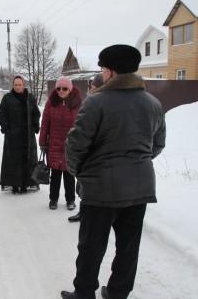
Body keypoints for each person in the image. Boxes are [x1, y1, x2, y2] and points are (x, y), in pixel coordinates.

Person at [61, 44, 166, 299]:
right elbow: (158, 144)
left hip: (100, 190)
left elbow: (75, 145)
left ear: (109, 71)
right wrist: (136, 164)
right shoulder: (153, 103)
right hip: (139, 187)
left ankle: (84, 293)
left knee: (91, 246)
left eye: (102, 68)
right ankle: (118, 293)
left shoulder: (95, 102)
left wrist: (80, 173)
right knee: (129, 247)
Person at [40, 76, 82, 210]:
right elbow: (45, 123)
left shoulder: (77, 104)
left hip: (71, 145)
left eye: (65, 88)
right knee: (55, 175)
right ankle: (53, 199)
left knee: (69, 175)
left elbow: (82, 124)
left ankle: (70, 200)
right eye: (59, 88)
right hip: (54, 144)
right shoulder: (51, 102)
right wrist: (42, 141)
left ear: (70, 89)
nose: (61, 91)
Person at [68, 74, 104, 222]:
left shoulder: (98, 104)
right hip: (87, 153)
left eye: (93, 87)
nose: (90, 89)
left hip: (95, 155)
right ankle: (83, 212)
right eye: (91, 87)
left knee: (92, 188)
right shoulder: (89, 102)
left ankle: (91, 215)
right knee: (83, 187)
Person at [0, 76, 41, 194]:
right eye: (15, 85)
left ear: (23, 85)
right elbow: (1, 114)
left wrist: (36, 125)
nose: (17, 87)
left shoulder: (30, 97)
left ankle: (28, 183)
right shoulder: (7, 98)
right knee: (13, 160)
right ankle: (14, 184)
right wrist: (6, 128)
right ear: (13, 85)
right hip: (13, 135)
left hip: (28, 135)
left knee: (28, 159)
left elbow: (36, 113)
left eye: (19, 84)